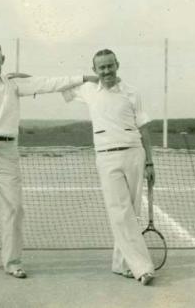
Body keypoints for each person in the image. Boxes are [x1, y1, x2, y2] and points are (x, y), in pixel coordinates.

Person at [0, 42, 96, 278]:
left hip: (8, 149)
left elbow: (48, 83)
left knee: (14, 207)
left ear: (3, 59)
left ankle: (12, 262)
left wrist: (84, 77)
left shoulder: (14, 84)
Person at [61, 49, 155, 286]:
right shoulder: (89, 90)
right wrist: (26, 79)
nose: (106, 71)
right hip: (106, 158)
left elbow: (144, 129)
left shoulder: (132, 92)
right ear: (95, 70)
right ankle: (142, 267)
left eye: (110, 66)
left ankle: (121, 263)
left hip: (134, 154)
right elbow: (60, 85)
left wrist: (150, 162)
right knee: (120, 213)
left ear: (117, 65)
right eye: (101, 67)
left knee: (131, 212)